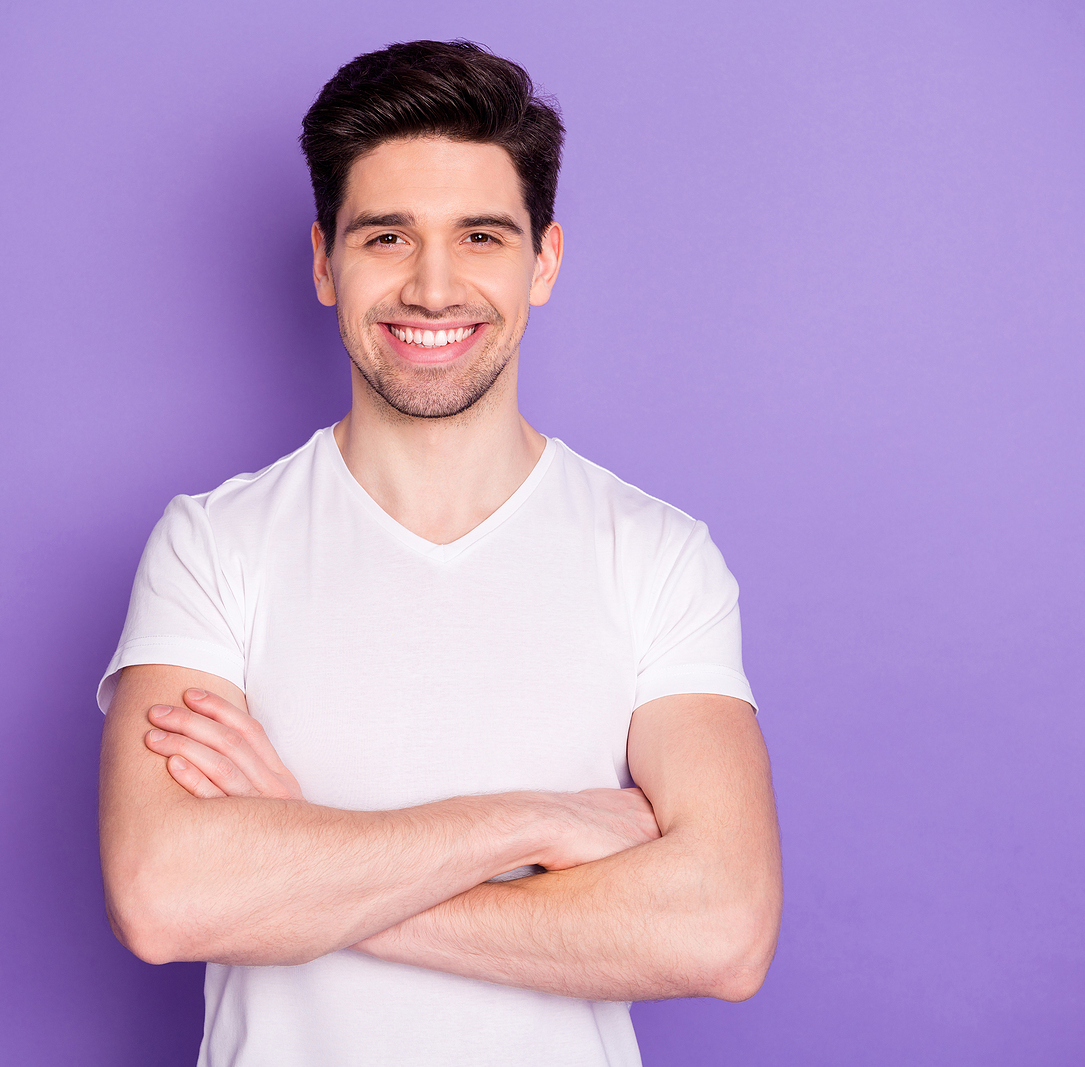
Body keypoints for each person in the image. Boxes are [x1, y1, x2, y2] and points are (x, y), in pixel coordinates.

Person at [96, 39, 782, 1067]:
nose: (432, 286)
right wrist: (530, 820)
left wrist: (301, 859)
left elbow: (722, 928)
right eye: (385, 236)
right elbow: (165, 896)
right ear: (324, 261)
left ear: (542, 260)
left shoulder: (655, 555)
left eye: (479, 235)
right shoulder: (213, 544)